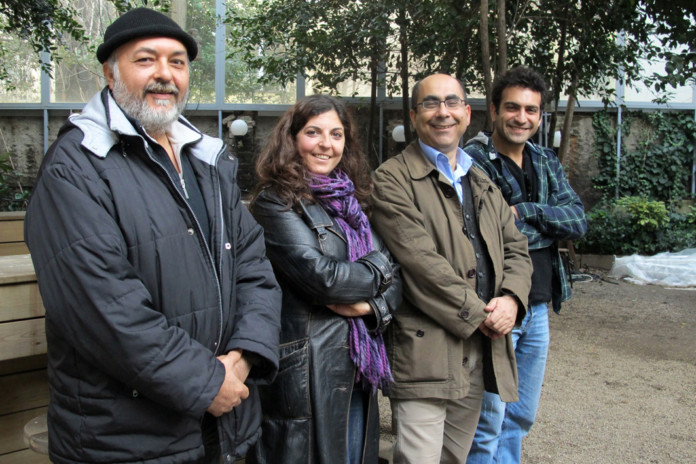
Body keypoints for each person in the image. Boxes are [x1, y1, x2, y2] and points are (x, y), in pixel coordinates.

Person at [24, 8, 281, 464]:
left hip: (219, 423)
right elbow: (106, 311)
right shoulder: (76, 168)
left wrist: (243, 359)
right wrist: (207, 382)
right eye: (146, 59)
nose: (165, 74)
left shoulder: (207, 161)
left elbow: (254, 268)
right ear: (110, 73)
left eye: (177, 62)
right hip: (125, 439)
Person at [370, 73, 533, 464]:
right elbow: (421, 264)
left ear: (467, 113)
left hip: (476, 351)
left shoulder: (480, 179)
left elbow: (516, 247)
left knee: (454, 458)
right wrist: (483, 314)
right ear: (414, 116)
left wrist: (511, 300)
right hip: (424, 354)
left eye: (452, 102)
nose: (442, 112)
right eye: (430, 103)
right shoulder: (391, 179)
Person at [247, 94, 402, 464]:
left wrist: (367, 306)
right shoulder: (275, 203)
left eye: (336, 134)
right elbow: (325, 280)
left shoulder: (353, 202)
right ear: (292, 138)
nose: (326, 144)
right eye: (313, 132)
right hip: (308, 368)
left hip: (358, 365)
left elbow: (398, 280)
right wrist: (381, 266)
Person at [464, 66, 587, 463]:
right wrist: (547, 225)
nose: (522, 118)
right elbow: (490, 233)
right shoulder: (473, 161)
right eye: (512, 108)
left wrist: (529, 210)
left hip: (538, 307)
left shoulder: (544, 159)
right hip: (497, 305)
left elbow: (578, 220)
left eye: (531, 110)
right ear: (494, 110)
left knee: (520, 417)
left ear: (540, 115)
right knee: (487, 422)